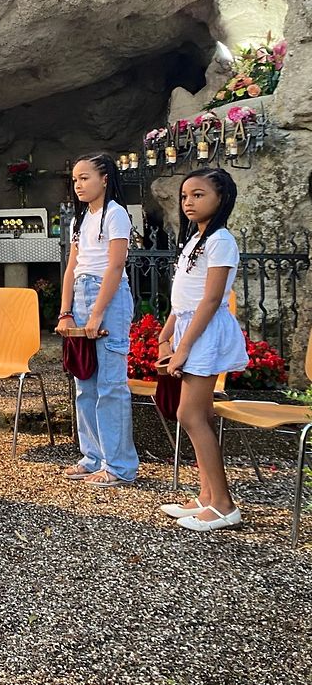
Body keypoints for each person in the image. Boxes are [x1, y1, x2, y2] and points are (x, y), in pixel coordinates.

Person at [158, 168, 248, 531]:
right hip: (190, 327)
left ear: (221, 198)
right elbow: (183, 299)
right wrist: (166, 335)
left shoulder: (220, 240)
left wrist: (183, 349)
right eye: (184, 196)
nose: (188, 202)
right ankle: (207, 496)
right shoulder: (196, 239)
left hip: (205, 332)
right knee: (200, 415)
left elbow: (211, 299)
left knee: (190, 415)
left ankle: (224, 505)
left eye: (198, 195)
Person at [55, 153, 139, 487]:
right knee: (84, 383)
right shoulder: (79, 220)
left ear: (104, 179)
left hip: (109, 297)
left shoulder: (116, 214)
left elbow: (115, 267)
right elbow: (72, 268)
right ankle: (92, 457)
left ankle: (118, 466)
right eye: (75, 179)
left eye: (85, 177)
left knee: (111, 386)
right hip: (81, 294)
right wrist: (66, 312)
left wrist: (98, 314)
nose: (78, 185)